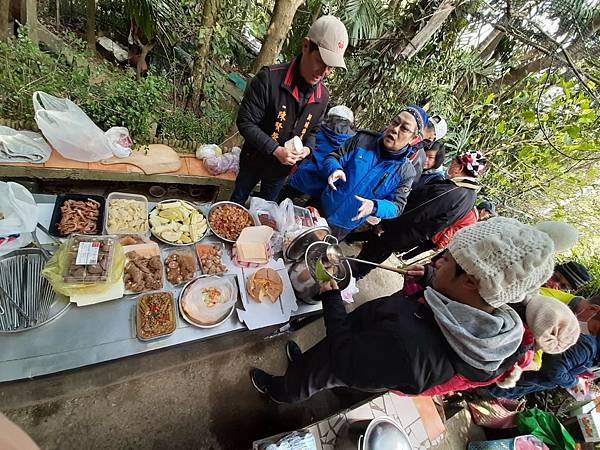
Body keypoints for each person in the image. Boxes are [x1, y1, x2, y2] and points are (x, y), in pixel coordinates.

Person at [249, 217, 565, 403]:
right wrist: (429, 280)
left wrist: (331, 295)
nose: (437, 261)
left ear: (470, 281)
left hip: (349, 357)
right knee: (317, 357)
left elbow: (345, 359)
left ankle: (281, 392)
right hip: (365, 336)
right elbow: (429, 309)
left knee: (317, 372)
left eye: (447, 261)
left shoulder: (411, 351)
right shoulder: (471, 308)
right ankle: (302, 363)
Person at [230, 16, 348, 205]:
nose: (323, 72)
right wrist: (275, 150)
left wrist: (307, 149)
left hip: (280, 172)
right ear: (306, 46)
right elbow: (246, 122)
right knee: (236, 202)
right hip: (253, 161)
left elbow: (314, 132)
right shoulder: (269, 79)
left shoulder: (322, 97)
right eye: (320, 61)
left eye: (330, 67)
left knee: (265, 212)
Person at [352, 151, 487, 279]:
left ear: (460, 167)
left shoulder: (451, 192)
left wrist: (386, 224)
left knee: (369, 255)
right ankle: (356, 273)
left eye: (453, 162)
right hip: (409, 236)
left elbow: (415, 211)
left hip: (398, 230)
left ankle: (350, 279)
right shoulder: (470, 196)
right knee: (374, 257)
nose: (450, 164)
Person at [319, 106, 428, 240]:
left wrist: (375, 206)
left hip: (345, 223)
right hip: (321, 205)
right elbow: (333, 156)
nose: (395, 129)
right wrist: (335, 168)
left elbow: (397, 206)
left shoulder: (406, 172)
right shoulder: (362, 140)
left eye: (404, 129)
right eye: (395, 122)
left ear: (413, 138)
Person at [278, 105, 356, 203]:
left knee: (282, 200)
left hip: (305, 175)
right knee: (311, 214)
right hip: (326, 180)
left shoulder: (319, 130)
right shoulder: (352, 141)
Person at [409, 114, 448, 183]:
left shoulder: (435, 179)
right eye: (425, 155)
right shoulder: (417, 146)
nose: (425, 159)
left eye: (431, 157)